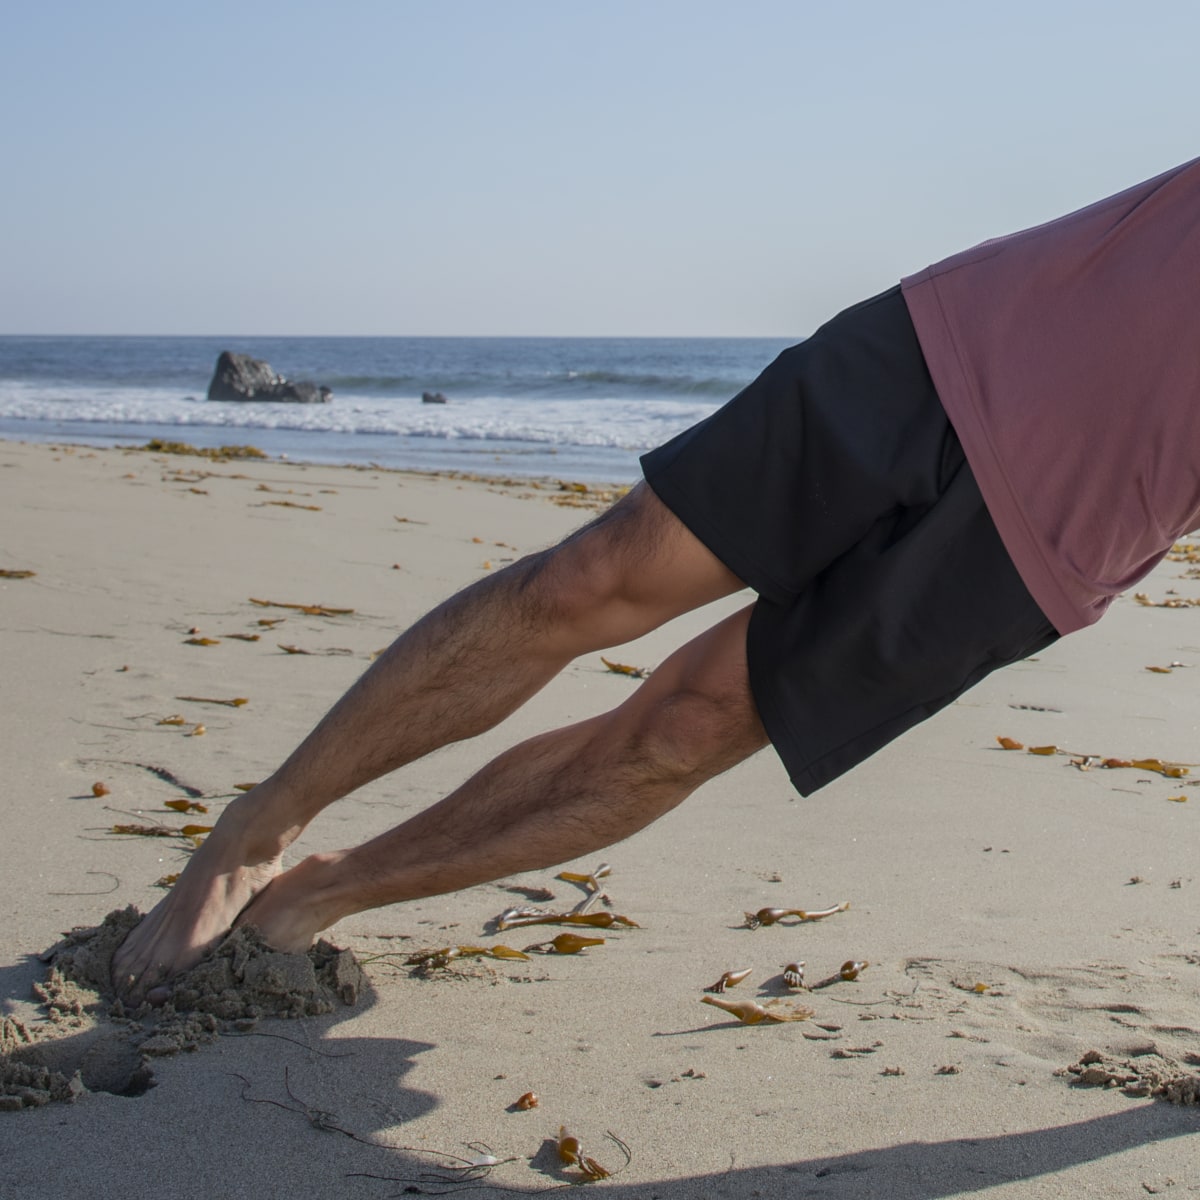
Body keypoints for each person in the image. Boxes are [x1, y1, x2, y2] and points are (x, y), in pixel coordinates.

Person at [113, 155, 1200, 1002]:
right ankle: (253, 831)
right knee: (589, 581)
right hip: (968, 345)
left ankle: (320, 894)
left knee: (685, 732)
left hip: (1055, 537)